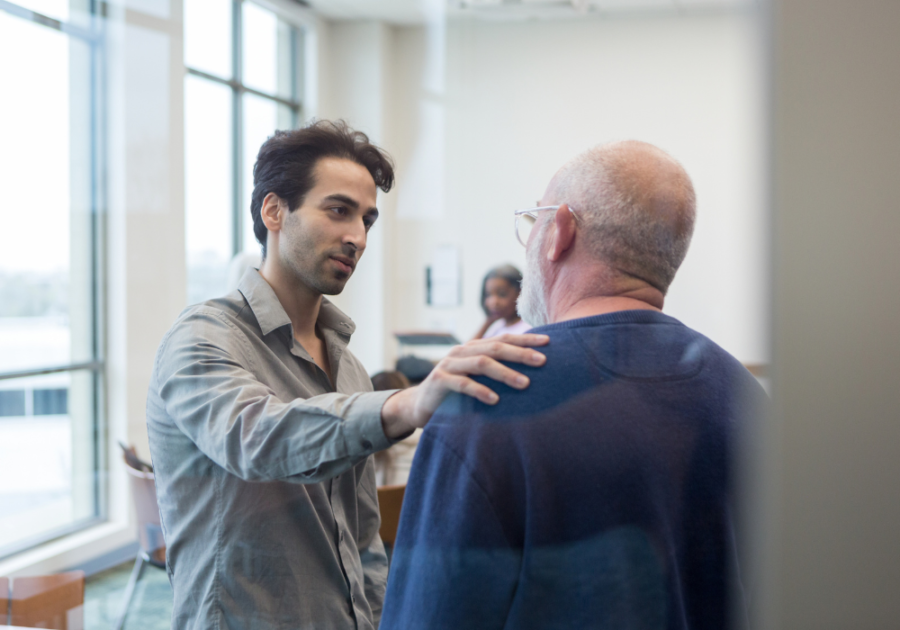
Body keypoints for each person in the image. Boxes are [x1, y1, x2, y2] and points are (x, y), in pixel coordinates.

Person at [145, 120, 549, 630]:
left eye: (367, 220)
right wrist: (404, 404)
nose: (356, 236)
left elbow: (360, 540)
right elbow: (256, 437)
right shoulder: (202, 336)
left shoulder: (348, 367)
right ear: (274, 210)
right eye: (338, 210)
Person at [381, 140, 768, 629]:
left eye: (534, 221)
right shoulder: (744, 397)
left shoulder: (488, 399)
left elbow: (430, 616)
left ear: (559, 231)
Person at [472, 264, 531, 339]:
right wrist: (488, 322)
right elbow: (466, 349)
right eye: (488, 295)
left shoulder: (528, 328)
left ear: (520, 292)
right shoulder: (496, 327)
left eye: (502, 294)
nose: (494, 302)